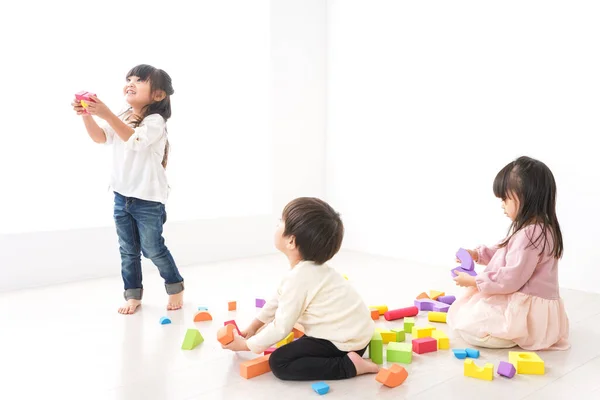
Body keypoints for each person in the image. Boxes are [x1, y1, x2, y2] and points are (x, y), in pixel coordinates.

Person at [222, 197, 379, 380]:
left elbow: (281, 327)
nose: (277, 225)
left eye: (281, 222)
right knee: (299, 344)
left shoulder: (300, 277)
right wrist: (254, 326)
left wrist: (246, 345)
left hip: (344, 343)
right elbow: (278, 299)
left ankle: (348, 366)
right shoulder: (308, 270)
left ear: (291, 242)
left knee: (279, 362)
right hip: (357, 334)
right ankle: (350, 358)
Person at [72, 64, 184, 315]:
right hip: (122, 195)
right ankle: (133, 294)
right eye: (129, 78)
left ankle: (174, 285)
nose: (131, 82)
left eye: (140, 80)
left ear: (158, 95)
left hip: (148, 199)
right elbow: (101, 138)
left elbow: (135, 141)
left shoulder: (156, 121)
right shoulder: (123, 115)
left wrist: (106, 112)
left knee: (152, 248)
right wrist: (88, 115)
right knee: (128, 249)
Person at [448, 156, 569, 350]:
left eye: (505, 198)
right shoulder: (542, 229)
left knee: (467, 324)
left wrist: (474, 282)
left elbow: (510, 278)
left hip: (525, 313)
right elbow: (507, 252)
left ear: (525, 197)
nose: (502, 204)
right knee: (469, 312)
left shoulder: (530, 235)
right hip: (538, 310)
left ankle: (510, 335)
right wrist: (477, 254)